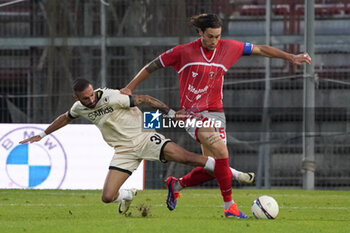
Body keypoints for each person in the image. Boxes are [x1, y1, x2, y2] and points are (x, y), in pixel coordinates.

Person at [120, 13, 312, 218]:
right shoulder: (183, 52)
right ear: (200, 32)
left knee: (213, 167)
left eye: (218, 36)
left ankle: (177, 184)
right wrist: (129, 88)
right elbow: (152, 66)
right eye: (210, 36)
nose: (214, 41)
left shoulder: (229, 48)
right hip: (191, 114)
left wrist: (291, 57)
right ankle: (230, 206)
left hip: (217, 113)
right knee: (221, 150)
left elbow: (261, 49)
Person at [19, 78, 253, 215]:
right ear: (77, 97)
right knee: (107, 197)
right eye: (85, 98)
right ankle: (128, 195)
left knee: (190, 158)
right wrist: (41, 134)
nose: (90, 101)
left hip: (144, 139)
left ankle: (237, 173)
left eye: (91, 96)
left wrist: (170, 113)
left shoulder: (112, 97)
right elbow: (65, 117)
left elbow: (146, 100)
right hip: (123, 152)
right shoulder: (80, 107)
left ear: (94, 90)